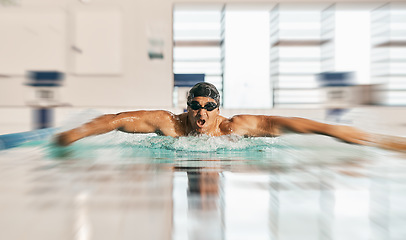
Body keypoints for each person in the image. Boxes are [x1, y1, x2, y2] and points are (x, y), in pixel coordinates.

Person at [56, 82, 406, 151]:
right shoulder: (169, 124)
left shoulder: (234, 128)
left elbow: (298, 125)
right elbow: (116, 120)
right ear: (187, 107)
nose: (201, 113)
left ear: (218, 109)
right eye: (196, 106)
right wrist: (79, 131)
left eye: (209, 107)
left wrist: (347, 133)